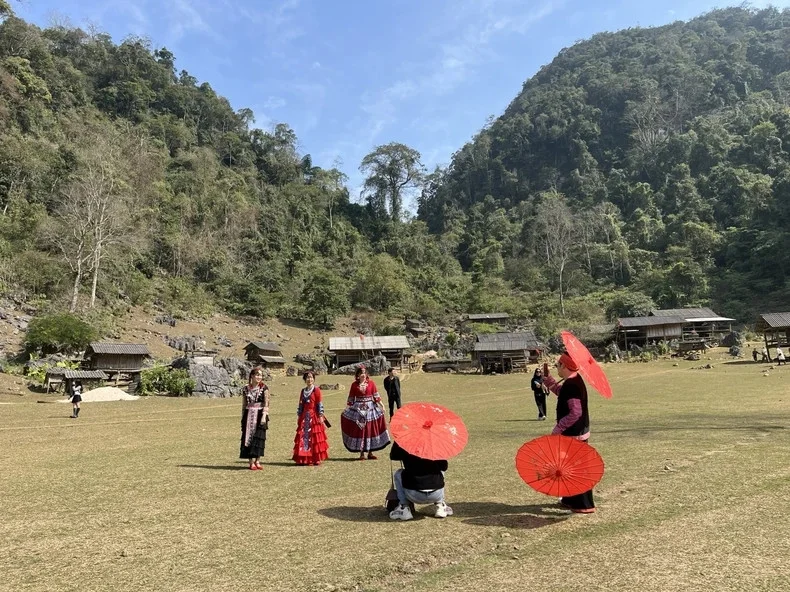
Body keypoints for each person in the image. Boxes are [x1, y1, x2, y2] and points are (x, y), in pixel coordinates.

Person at [542, 353, 596, 514]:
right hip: (576, 433)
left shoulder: (572, 384)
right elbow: (563, 393)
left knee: (576, 469)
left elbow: (575, 412)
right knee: (568, 468)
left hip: (574, 435)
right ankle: (570, 499)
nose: (556, 367)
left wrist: (558, 429)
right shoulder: (572, 380)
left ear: (565, 366)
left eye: (558, 365)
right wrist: (549, 381)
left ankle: (583, 504)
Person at [388, 441, 452, 520]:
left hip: (413, 493)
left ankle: (404, 507)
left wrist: (398, 441)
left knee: (398, 473)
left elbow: (393, 456)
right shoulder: (436, 443)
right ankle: (440, 505)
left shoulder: (407, 441)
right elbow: (444, 467)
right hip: (436, 494)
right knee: (441, 472)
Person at [340, 366, 390, 460]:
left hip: (370, 409)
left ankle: (370, 452)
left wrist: (382, 405)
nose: (363, 375)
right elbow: (351, 398)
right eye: (361, 373)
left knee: (370, 429)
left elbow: (376, 396)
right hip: (358, 410)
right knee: (361, 429)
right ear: (358, 375)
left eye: (364, 373)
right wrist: (346, 409)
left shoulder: (371, 384)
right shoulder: (354, 385)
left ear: (366, 374)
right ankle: (362, 453)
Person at [292, 370, 329, 466]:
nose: (310, 379)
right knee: (304, 438)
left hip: (314, 416)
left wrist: (320, 415)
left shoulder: (316, 390)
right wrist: (299, 416)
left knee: (314, 438)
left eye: (311, 377)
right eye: (308, 377)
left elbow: (319, 403)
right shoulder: (303, 391)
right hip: (305, 416)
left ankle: (314, 458)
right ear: (305, 379)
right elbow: (300, 405)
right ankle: (304, 458)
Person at [240, 367, 270, 471]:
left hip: (260, 414)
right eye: (257, 375)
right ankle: (251, 461)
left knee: (259, 437)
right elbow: (244, 404)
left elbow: (267, 403)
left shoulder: (264, 388)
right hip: (248, 415)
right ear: (252, 376)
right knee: (248, 437)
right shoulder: (245, 389)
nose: (259, 377)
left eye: (260, 375)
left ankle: (257, 460)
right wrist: (243, 417)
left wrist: (264, 416)